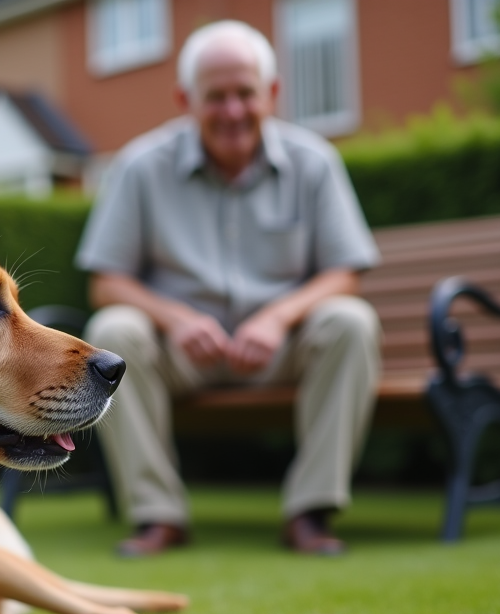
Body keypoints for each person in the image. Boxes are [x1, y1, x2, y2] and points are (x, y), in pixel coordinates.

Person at [77, 20, 381, 557]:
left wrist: (278, 318)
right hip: (179, 354)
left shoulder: (315, 163)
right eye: (216, 96)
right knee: (113, 328)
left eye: (246, 93)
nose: (233, 110)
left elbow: (345, 274)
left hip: (283, 349)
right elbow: (107, 283)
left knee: (352, 321)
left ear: (272, 92)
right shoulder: (139, 167)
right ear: (185, 100)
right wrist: (175, 318)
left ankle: (311, 511)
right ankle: (158, 514)